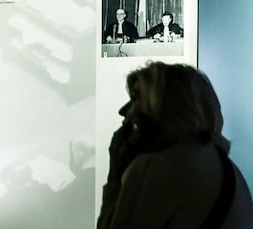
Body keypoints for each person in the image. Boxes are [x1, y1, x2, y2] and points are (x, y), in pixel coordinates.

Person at [97, 62, 253, 228]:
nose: (124, 110)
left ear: (164, 107)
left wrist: (115, 172)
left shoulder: (156, 169)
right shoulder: (231, 172)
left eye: (136, 98)